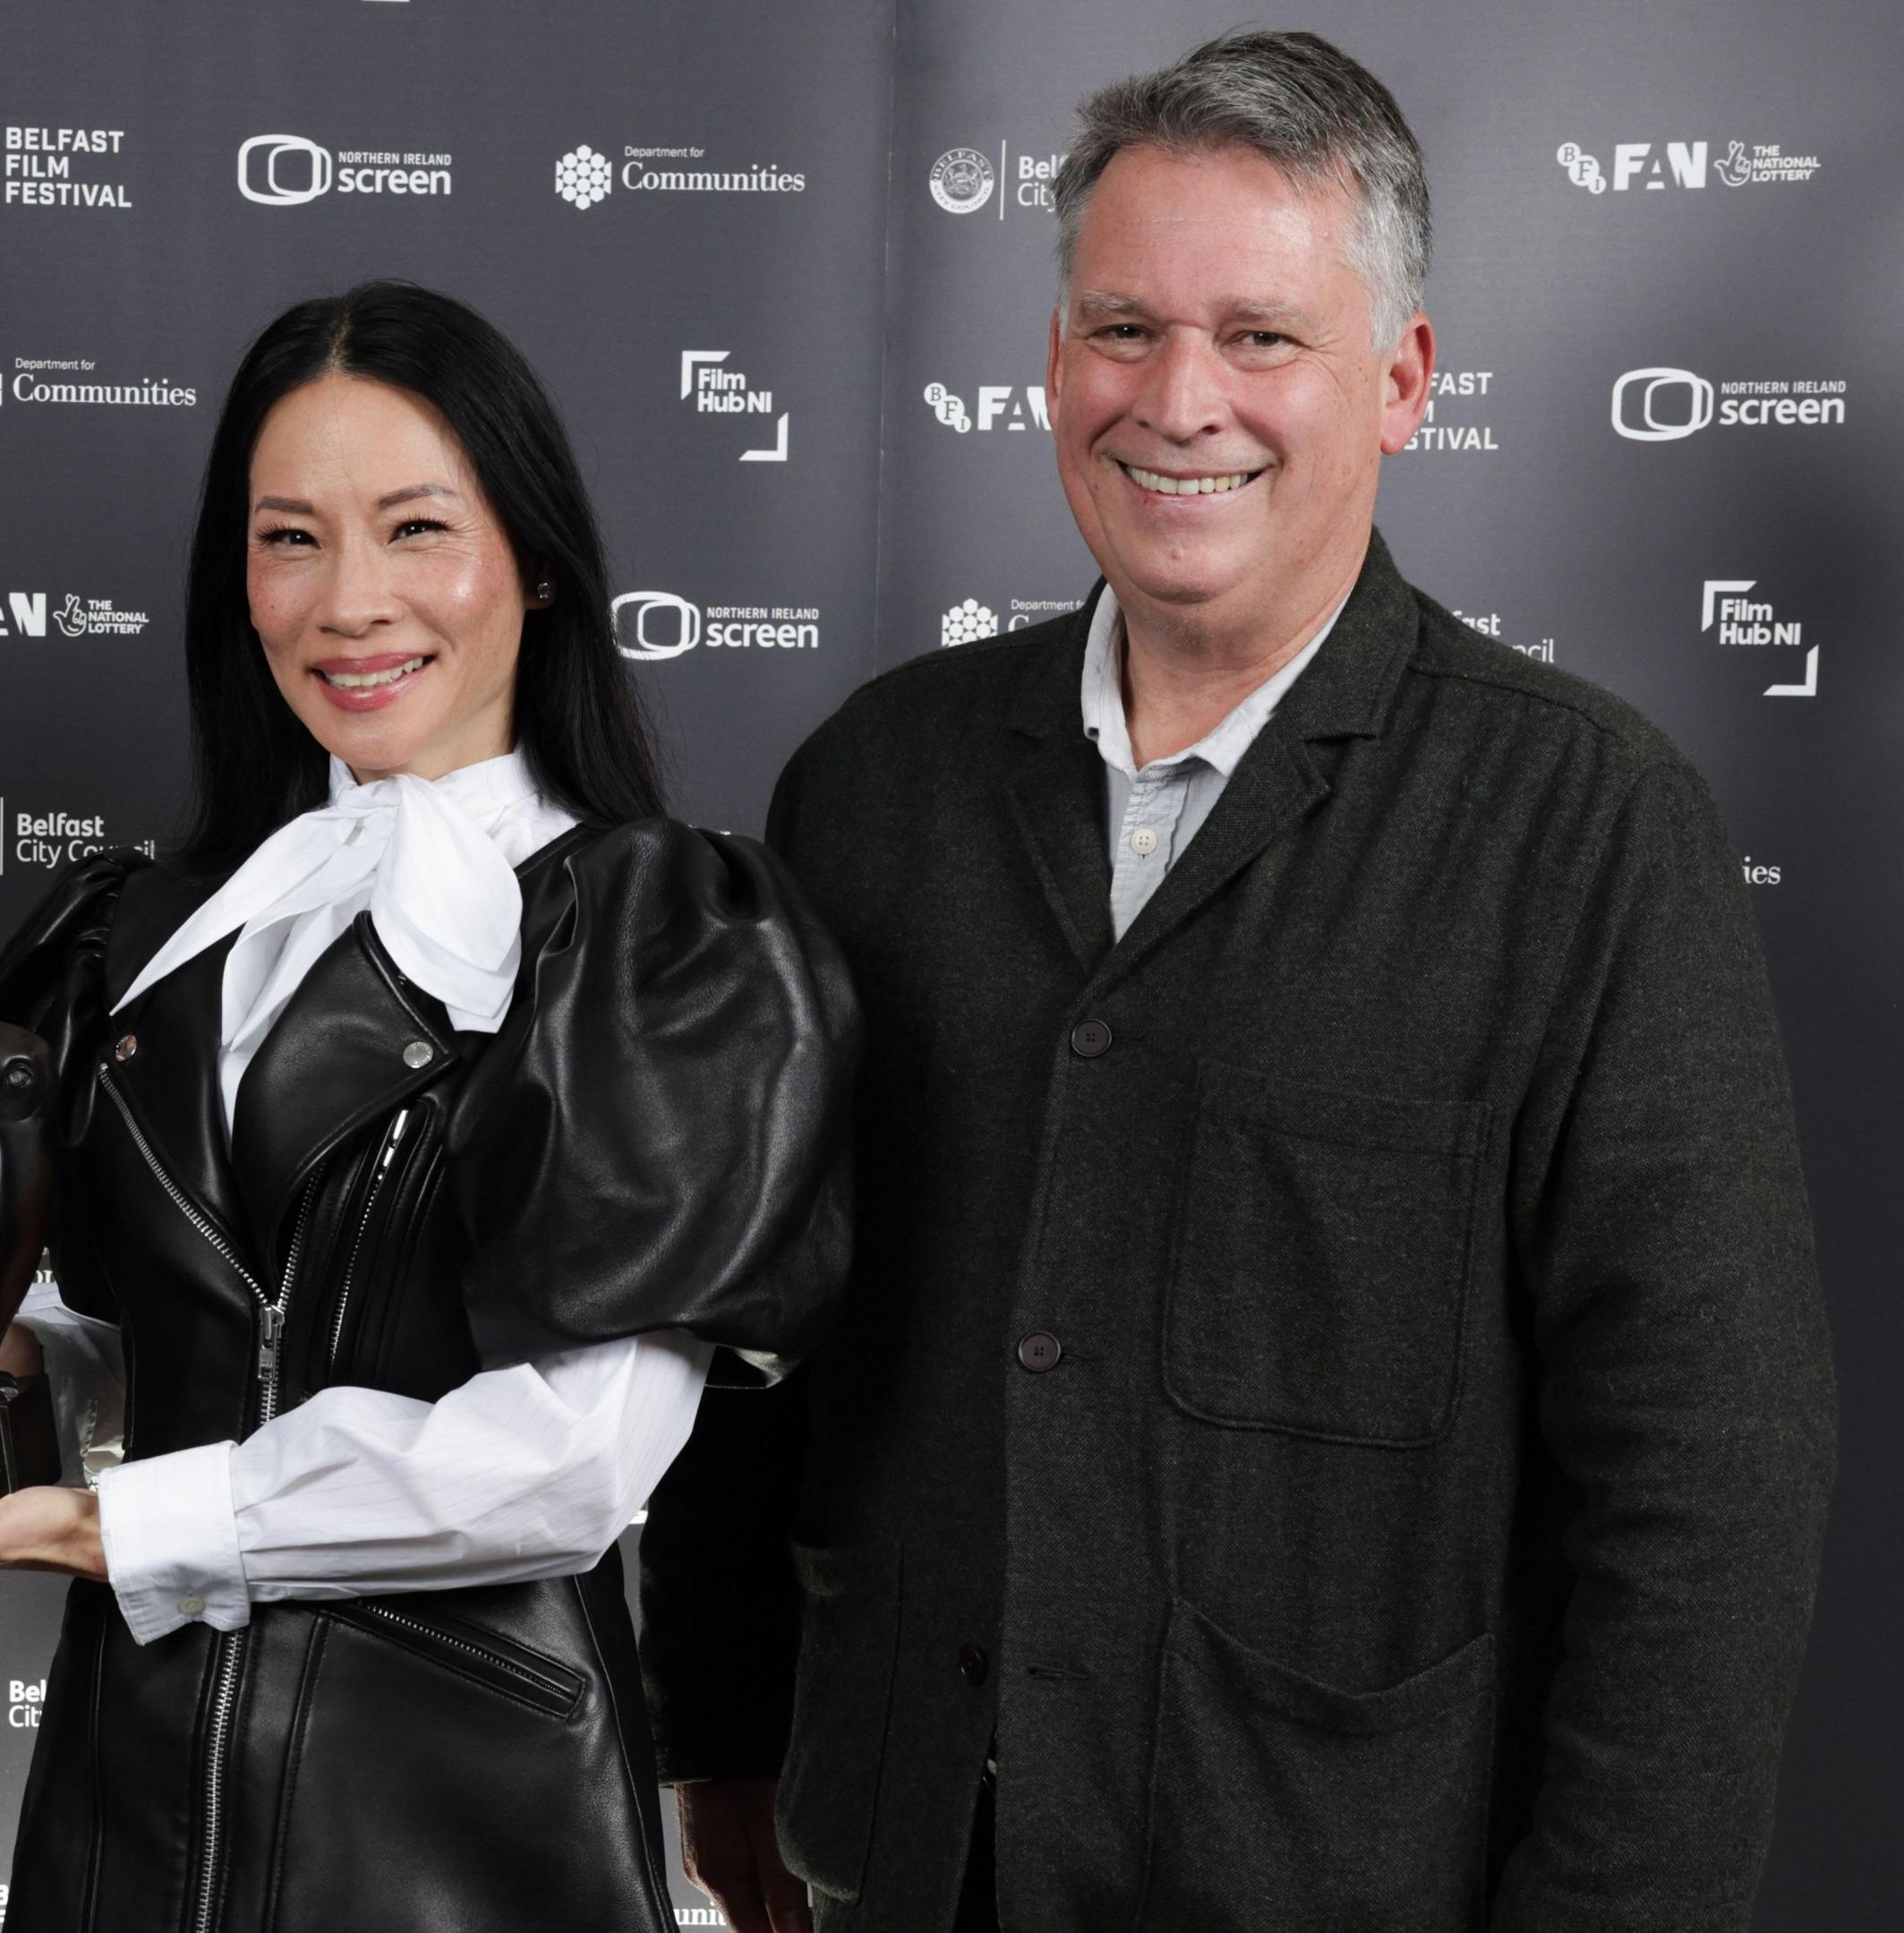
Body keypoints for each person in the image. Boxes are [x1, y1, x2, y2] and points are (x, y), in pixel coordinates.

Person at [642, 31, 1838, 1933]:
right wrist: (717, 1721)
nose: (1178, 400)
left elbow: (1709, 1475)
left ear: (1403, 380)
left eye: (1261, 337)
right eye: (1124, 330)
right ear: (1055, 362)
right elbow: (758, 1328)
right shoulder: (874, 783)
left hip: (1345, 1877)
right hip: (909, 1857)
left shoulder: (1588, 826)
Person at [0, 280, 858, 1932]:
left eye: (415, 528)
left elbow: (570, 1459)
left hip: (463, 1822)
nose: (350, 601)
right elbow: (183, 1335)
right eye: (290, 540)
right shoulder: (140, 934)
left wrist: (112, 1523)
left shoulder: (656, 937)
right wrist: (4, 1365)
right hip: (126, 1793)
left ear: (534, 558)